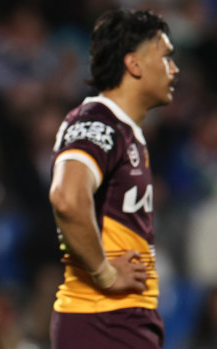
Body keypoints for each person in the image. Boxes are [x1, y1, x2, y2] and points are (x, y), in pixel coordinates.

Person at [48, 8, 179, 349]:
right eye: (165, 57)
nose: (174, 69)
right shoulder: (98, 122)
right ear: (134, 65)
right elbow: (66, 197)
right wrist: (105, 273)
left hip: (123, 319)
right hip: (101, 320)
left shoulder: (124, 130)